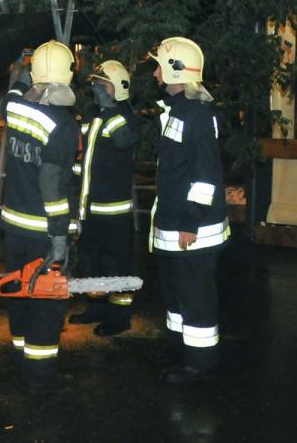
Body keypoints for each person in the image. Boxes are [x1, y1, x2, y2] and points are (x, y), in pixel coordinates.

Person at [0, 41, 80, 394]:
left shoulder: (16, 109)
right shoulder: (62, 125)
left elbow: (8, 100)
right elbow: (51, 185)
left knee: (20, 294)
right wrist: (60, 238)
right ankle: (41, 379)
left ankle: (21, 359)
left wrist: (17, 78)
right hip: (44, 233)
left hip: (13, 226)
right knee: (46, 304)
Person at [149, 36, 229, 385]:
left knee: (195, 296)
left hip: (192, 231)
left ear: (175, 70)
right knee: (178, 293)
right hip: (178, 227)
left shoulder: (195, 114)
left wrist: (190, 223)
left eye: (159, 66)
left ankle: (200, 362)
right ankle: (182, 349)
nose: (154, 73)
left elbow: (205, 177)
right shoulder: (181, 110)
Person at [69, 60, 141, 336]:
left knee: (117, 265)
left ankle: (119, 317)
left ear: (116, 88)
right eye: (96, 83)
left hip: (114, 211)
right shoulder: (91, 114)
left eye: (102, 84)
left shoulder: (124, 115)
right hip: (89, 208)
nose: (97, 88)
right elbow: (82, 157)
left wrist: (111, 108)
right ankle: (96, 308)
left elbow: (125, 140)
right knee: (91, 262)